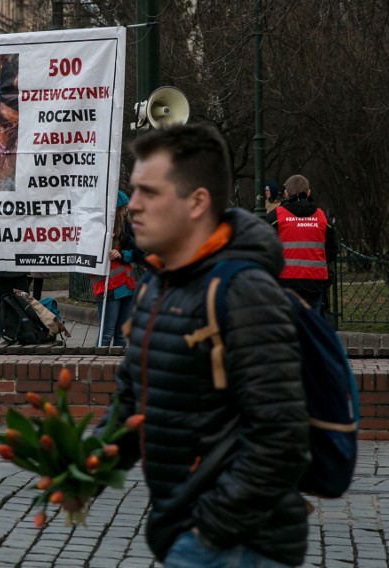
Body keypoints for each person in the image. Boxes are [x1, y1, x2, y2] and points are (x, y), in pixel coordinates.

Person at [100, 124, 309, 567]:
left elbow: (282, 438)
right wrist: (84, 463)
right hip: (187, 532)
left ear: (197, 202)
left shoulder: (244, 291)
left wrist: (207, 529)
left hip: (235, 547)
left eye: (149, 193)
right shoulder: (159, 284)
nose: (132, 205)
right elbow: (132, 401)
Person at [266, 174, 338, 314]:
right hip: (313, 283)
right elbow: (332, 250)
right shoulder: (321, 217)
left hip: (284, 282)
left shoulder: (276, 216)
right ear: (308, 192)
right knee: (311, 326)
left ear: (286, 193)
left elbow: (264, 246)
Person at [90, 191, 140, 347]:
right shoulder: (97, 229)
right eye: (124, 208)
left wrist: (122, 254)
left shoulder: (125, 229)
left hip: (126, 286)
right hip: (108, 288)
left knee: (121, 335)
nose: (126, 211)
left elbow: (139, 252)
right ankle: (96, 368)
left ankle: (116, 368)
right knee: (107, 334)